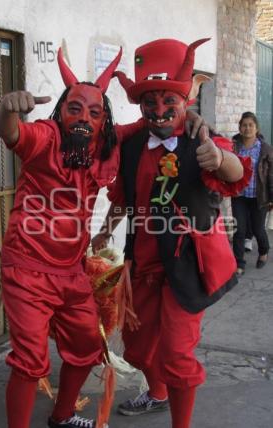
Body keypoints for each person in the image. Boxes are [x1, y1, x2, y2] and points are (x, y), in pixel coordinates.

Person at [0, 45, 205, 428]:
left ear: (103, 119)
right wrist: (8, 108)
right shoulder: (44, 137)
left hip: (71, 271)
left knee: (88, 347)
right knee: (30, 361)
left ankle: (61, 417)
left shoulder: (106, 144)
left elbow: (155, 117)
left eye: (95, 112)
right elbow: (11, 133)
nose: (84, 119)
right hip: (26, 269)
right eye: (76, 108)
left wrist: (191, 116)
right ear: (61, 111)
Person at [92, 38, 250, 428]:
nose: (160, 111)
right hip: (143, 263)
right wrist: (102, 232)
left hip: (187, 264)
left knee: (177, 354)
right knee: (140, 350)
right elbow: (123, 197)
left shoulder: (201, 137)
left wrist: (220, 157)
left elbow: (236, 174)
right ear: (141, 106)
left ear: (184, 103)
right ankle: (158, 392)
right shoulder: (131, 145)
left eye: (169, 103)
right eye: (151, 104)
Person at [232, 111, 273, 276]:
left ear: (256, 128)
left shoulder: (265, 149)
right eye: (244, 125)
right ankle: (239, 263)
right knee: (239, 230)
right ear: (240, 127)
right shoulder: (234, 146)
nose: (247, 128)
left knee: (258, 229)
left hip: (259, 196)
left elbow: (271, 175)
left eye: (251, 125)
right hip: (239, 195)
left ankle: (263, 252)